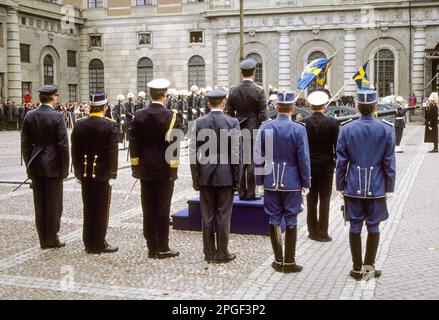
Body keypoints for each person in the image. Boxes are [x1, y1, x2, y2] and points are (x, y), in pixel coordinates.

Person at [336, 89, 396, 281]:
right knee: (373, 226)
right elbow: (389, 162)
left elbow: (341, 162)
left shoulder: (346, 129)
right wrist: (390, 187)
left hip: (353, 185)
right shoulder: (386, 129)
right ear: (375, 107)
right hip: (377, 185)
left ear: (356, 106)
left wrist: (339, 186)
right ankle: (369, 269)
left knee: (354, 226)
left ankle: (356, 269)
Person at [255, 92, 311, 273]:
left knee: (274, 218)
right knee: (292, 218)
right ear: (293, 108)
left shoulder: (265, 127)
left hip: (271, 180)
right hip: (292, 180)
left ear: (277, 107)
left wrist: (259, 180)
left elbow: (258, 157)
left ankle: (278, 260)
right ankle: (289, 261)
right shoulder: (298, 129)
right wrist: (306, 181)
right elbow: (303, 159)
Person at [129, 78, 182, 259]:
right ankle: (163, 246)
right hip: (164, 168)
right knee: (162, 208)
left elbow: (133, 143)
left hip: (145, 167)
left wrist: (135, 167)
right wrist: (173, 170)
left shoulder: (139, 115)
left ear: (150, 94)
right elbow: (174, 145)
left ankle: (151, 246)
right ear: (165, 94)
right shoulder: (172, 115)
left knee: (148, 208)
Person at [190, 88, 241, 264]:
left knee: (207, 216)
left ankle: (209, 253)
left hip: (205, 174)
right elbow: (236, 153)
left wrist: (195, 177)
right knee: (224, 215)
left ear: (208, 103)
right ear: (223, 102)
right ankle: (222, 253)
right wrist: (237, 178)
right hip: (226, 174)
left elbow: (192, 153)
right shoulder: (232, 122)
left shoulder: (198, 122)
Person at [21, 85, 69, 249]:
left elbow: (25, 144)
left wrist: (29, 165)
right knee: (54, 204)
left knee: (39, 204)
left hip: (36, 164)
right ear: (53, 97)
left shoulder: (30, 115)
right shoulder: (57, 116)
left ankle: (43, 239)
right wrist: (64, 169)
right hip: (53, 165)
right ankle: (52, 238)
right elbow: (63, 145)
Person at [71, 93, 119, 254]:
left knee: (88, 208)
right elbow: (113, 152)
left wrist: (78, 172)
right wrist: (113, 174)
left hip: (85, 173)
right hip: (103, 174)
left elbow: (75, 151)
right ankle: (98, 242)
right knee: (101, 210)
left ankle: (88, 242)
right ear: (104, 108)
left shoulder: (79, 124)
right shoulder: (110, 125)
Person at [226, 58, 267, 200]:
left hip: (238, 127)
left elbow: (229, 112)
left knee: (240, 159)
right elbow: (264, 114)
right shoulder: (259, 90)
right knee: (252, 161)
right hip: (254, 127)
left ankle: (241, 190)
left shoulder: (233, 90)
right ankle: (251, 192)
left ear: (241, 72)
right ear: (254, 72)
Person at [303, 91, 339, 242]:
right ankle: (323, 232)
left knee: (311, 200)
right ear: (324, 105)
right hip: (326, 166)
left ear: (311, 106)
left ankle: (312, 231)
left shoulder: (304, 122)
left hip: (310, 165)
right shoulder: (332, 122)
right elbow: (337, 146)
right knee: (325, 200)